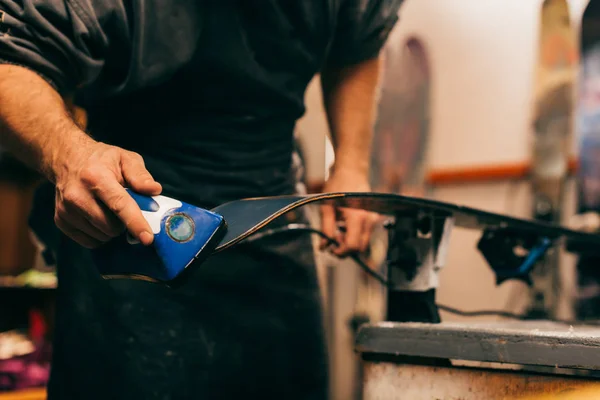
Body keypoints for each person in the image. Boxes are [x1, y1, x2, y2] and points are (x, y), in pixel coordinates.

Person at [0, 1, 402, 398]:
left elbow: (360, 38)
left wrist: (350, 162)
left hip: (273, 225)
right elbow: (12, 61)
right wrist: (70, 155)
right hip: (134, 222)